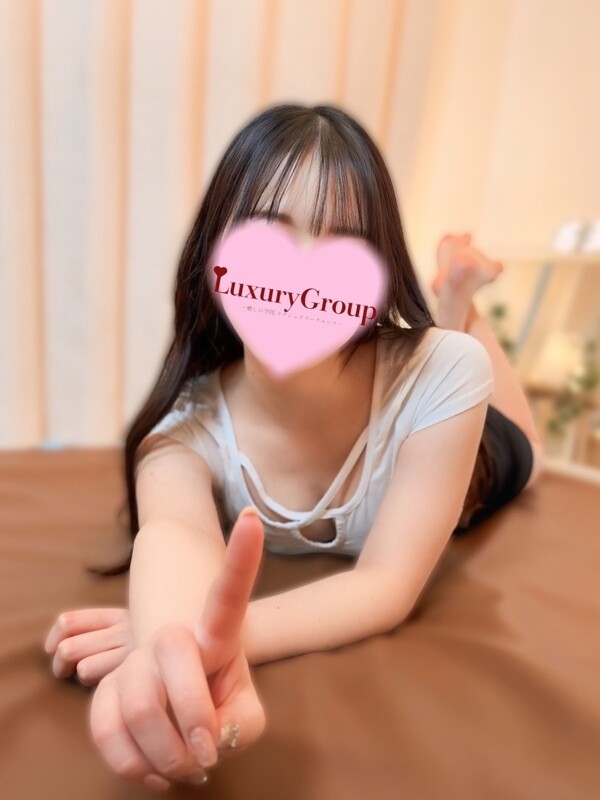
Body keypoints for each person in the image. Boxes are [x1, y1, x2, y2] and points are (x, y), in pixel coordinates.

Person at [43, 103, 544, 791]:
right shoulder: (182, 433)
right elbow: (176, 535)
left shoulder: (445, 371)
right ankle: (453, 295)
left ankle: (459, 299)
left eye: (343, 246)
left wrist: (207, 641)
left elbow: (385, 585)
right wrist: (167, 644)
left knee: (523, 438)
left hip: (470, 440)